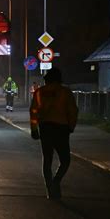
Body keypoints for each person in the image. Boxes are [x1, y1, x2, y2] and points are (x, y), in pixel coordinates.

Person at [29, 67, 78, 200]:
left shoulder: (39, 92)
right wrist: (71, 127)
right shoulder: (65, 92)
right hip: (62, 129)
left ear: (47, 80)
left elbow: (33, 111)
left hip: (45, 128)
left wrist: (34, 129)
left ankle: (50, 188)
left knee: (47, 159)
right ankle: (56, 181)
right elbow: (73, 111)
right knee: (65, 160)